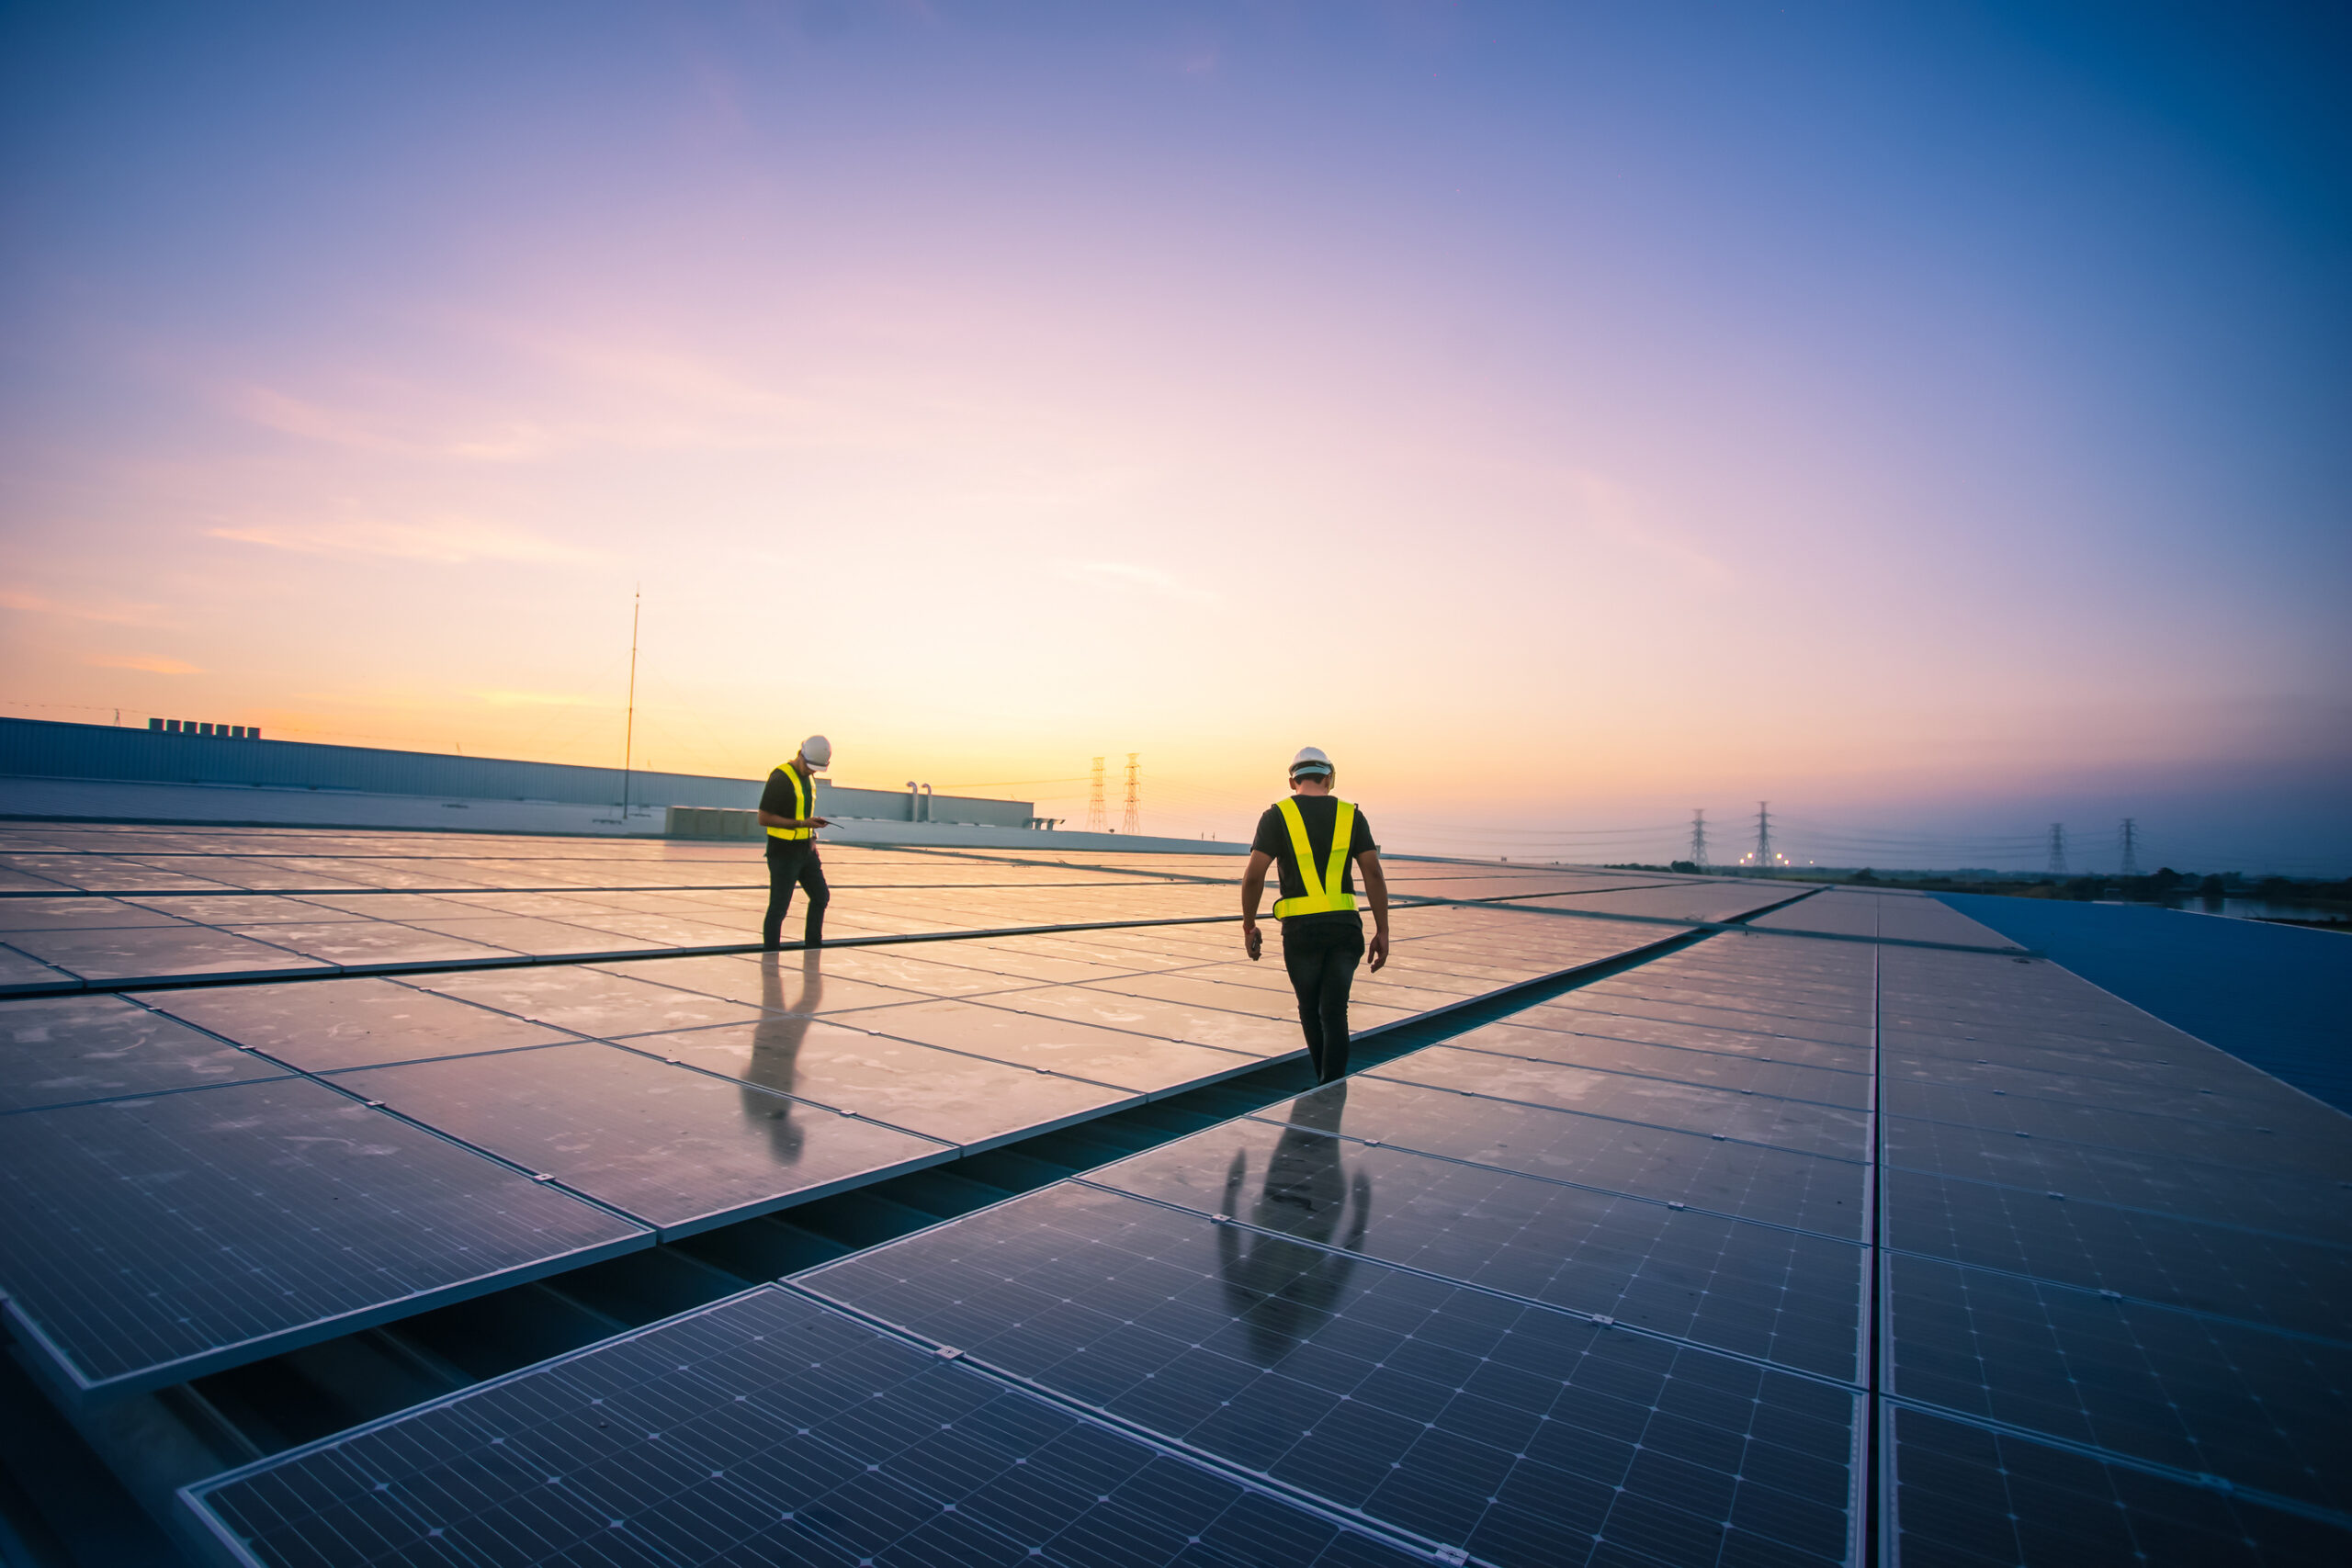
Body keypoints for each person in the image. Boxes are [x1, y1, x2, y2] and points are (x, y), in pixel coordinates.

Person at [1239, 746, 1390, 1084]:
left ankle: (1324, 1084)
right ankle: (1331, 1085)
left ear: (1293, 780)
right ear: (1329, 778)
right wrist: (1383, 930)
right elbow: (1374, 874)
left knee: (1310, 1010)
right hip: (1345, 930)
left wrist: (1249, 924)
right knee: (1335, 1012)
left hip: (1301, 933)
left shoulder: (1276, 816)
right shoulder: (1352, 815)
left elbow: (1253, 875)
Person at [758, 735, 832, 948]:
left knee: (821, 896)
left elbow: (801, 812)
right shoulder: (780, 778)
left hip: (806, 850)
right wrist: (802, 824)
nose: (812, 771)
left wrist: (811, 832)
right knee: (779, 908)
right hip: (783, 853)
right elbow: (763, 818)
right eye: (810, 766)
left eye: (816, 769)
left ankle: (813, 947)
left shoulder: (809, 779)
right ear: (800, 754)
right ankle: (771, 954)